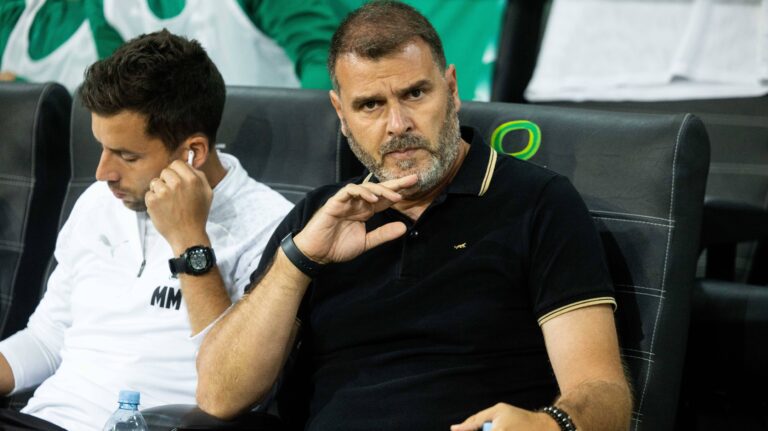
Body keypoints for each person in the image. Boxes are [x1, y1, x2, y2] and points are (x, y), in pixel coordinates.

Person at [196, 1, 633, 430]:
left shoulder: (539, 202)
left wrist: (549, 425)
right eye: (370, 105)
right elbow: (220, 395)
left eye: (415, 93)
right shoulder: (318, 218)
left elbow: (603, 390)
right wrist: (300, 260)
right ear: (341, 116)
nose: (397, 123)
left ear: (453, 90)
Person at [0, 29, 292, 431]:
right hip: (38, 420)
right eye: (101, 147)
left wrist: (189, 238)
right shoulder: (98, 203)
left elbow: (232, 391)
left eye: (127, 156)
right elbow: (48, 339)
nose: (103, 173)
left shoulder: (272, 228)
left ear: (193, 152)